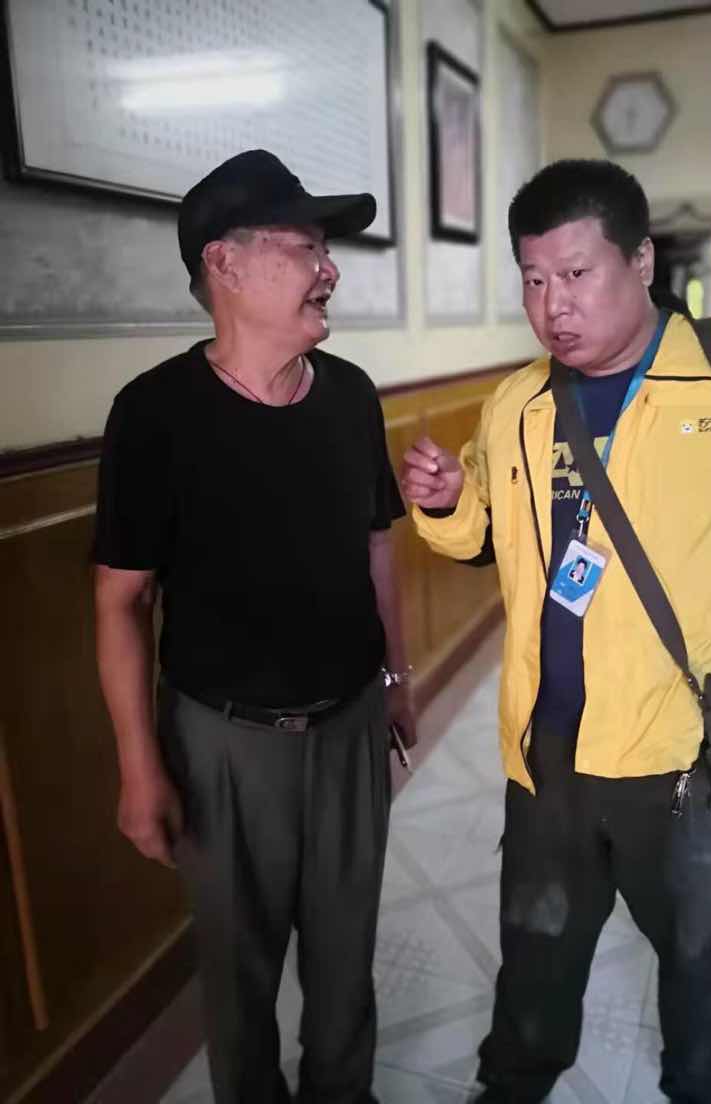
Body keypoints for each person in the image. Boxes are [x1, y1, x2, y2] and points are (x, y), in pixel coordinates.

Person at [401, 159, 711, 1104]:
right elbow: (481, 535)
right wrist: (446, 501)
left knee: (700, 986)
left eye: (576, 272)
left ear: (640, 262)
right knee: (532, 979)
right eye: (532, 278)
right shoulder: (517, 403)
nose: (552, 304)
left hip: (686, 765)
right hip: (547, 762)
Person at [94, 149, 415, 1104]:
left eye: (326, 250)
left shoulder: (350, 395)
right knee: (239, 976)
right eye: (306, 247)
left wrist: (397, 682)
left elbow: (377, 548)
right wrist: (139, 767)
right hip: (223, 746)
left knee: (347, 959)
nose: (330, 269)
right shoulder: (154, 414)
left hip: (351, 725)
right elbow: (120, 603)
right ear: (224, 264)